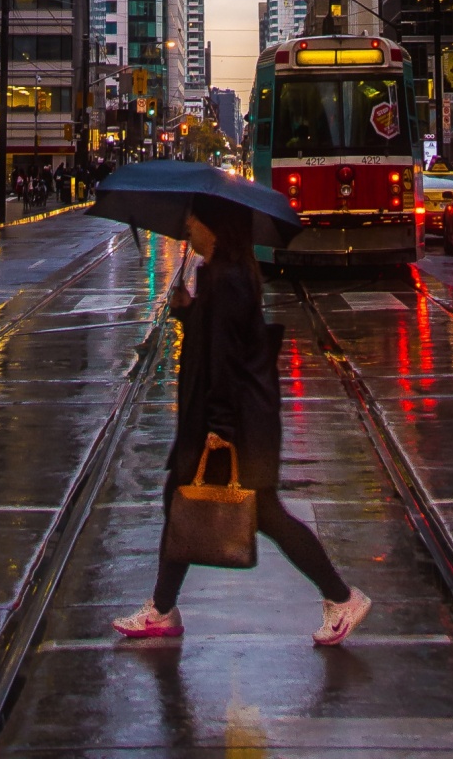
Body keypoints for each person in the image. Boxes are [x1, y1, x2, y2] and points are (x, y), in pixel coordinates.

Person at [113, 192, 369, 649]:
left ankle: (341, 597)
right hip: (230, 421)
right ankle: (163, 608)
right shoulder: (223, 275)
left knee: (261, 514)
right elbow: (218, 341)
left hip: (232, 426)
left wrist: (219, 430)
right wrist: (187, 312)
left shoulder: (228, 280)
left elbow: (227, 361)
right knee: (182, 501)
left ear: (213, 227)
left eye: (193, 220)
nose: (187, 227)